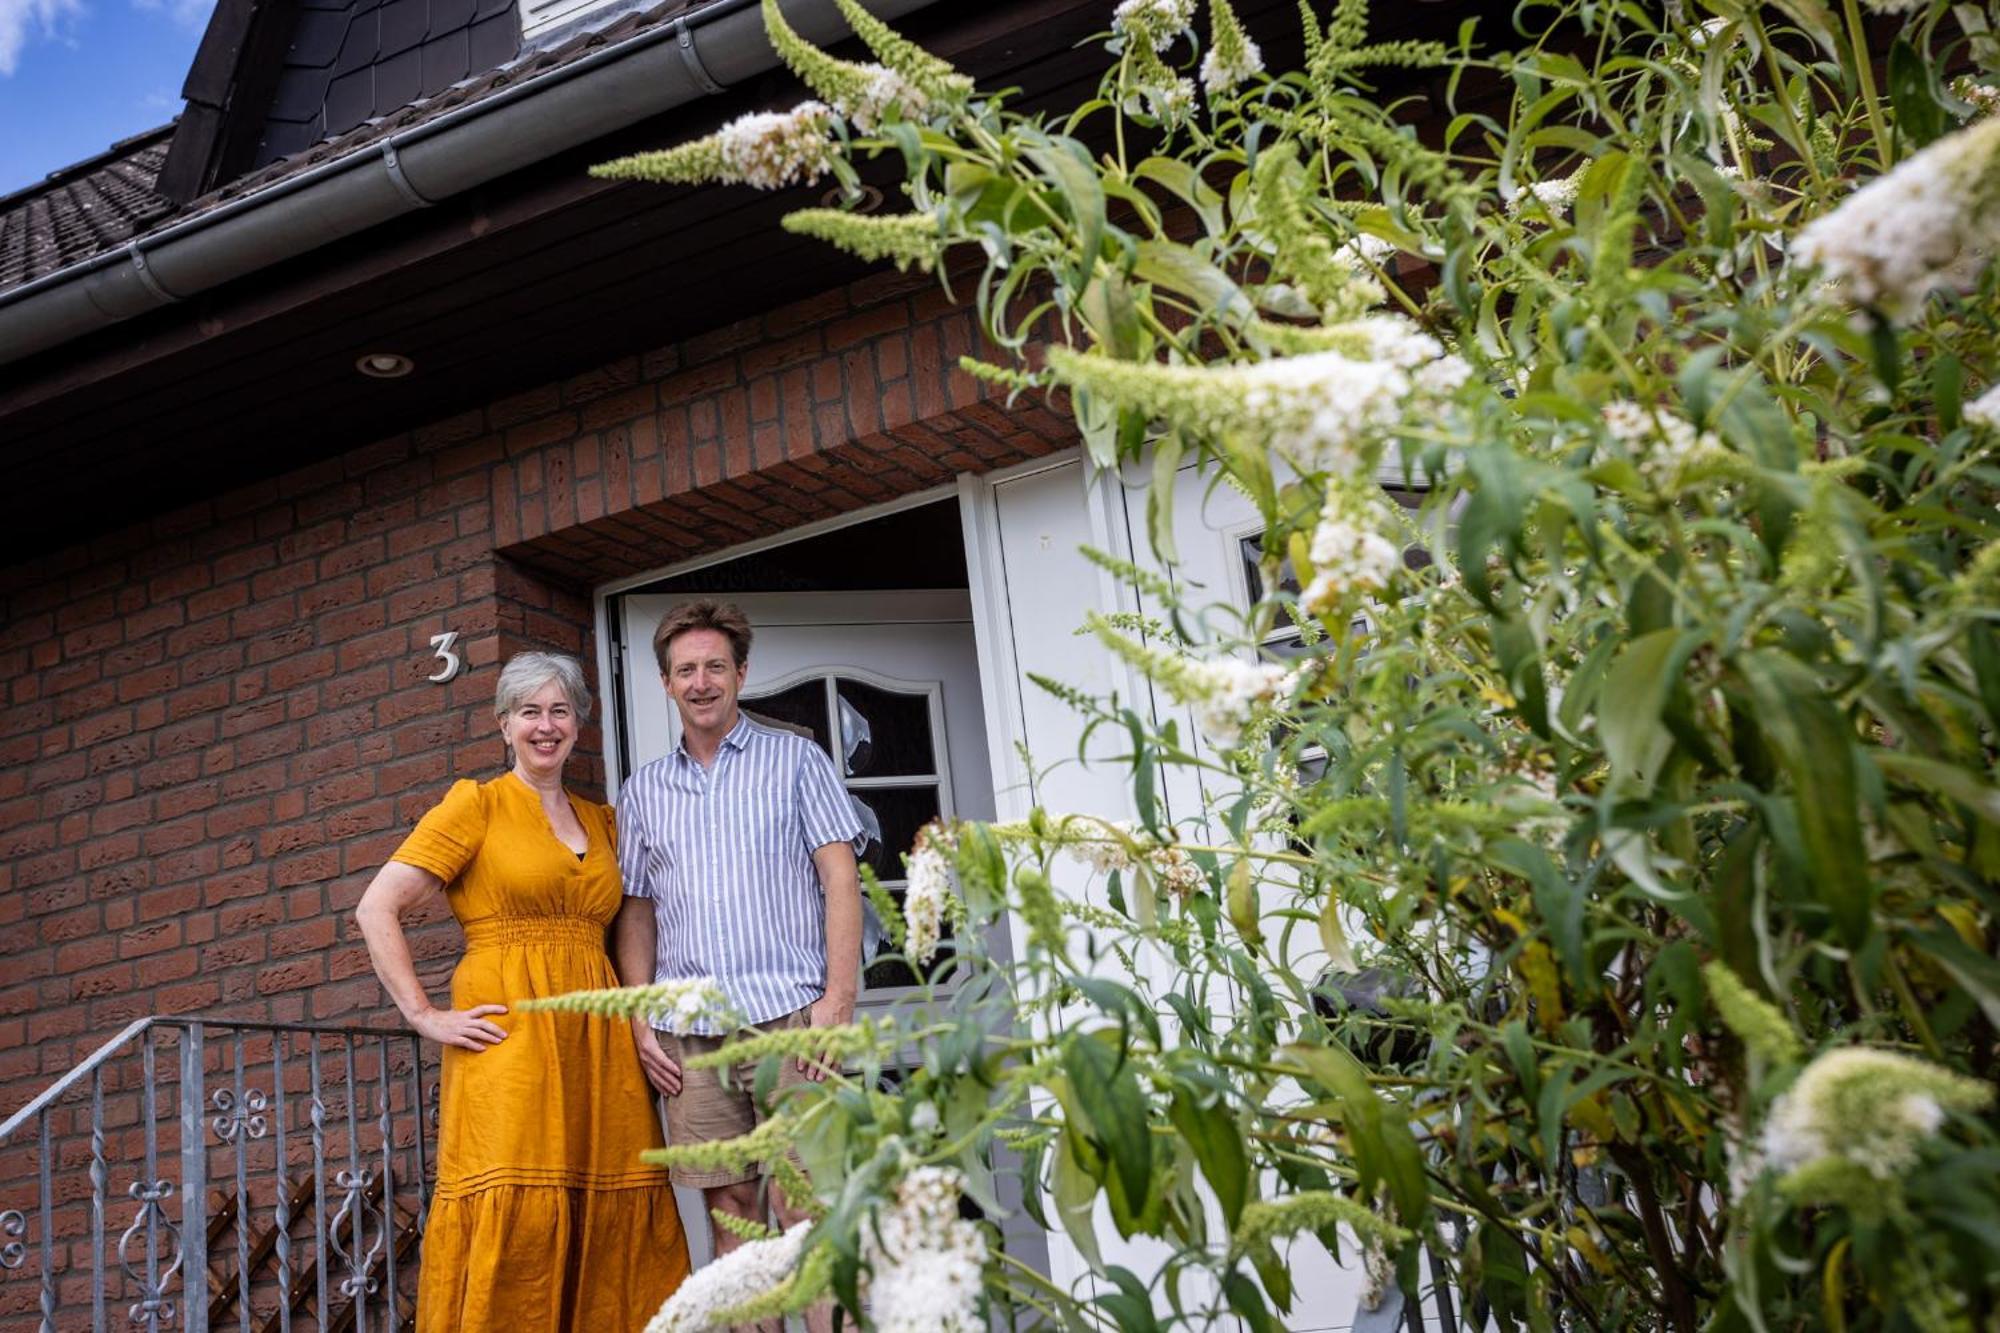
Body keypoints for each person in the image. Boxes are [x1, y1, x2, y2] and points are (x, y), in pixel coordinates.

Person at [355, 651, 690, 1332]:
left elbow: (632, 923)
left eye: (560, 710)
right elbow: (376, 906)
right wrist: (423, 1014)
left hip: (598, 1038)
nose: (546, 725)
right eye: (530, 711)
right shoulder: (475, 805)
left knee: (612, 1193)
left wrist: (640, 1018)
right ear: (504, 724)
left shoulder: (605, 822)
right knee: (518, 1191)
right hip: (510, 1031)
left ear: (578, 725)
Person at [613, 599, 863, 1333]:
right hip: (692, 1035)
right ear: (665, 683)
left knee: (808, 1214)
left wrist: (838, 1000)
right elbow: (638, 910)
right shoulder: (643, 792)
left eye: (714, 666)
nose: (701, 681)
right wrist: (638, 1015)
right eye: (685, 669)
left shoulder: (797, 761)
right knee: (734, 1230)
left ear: (741, 673)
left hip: (792, 1020)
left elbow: (840, 879)